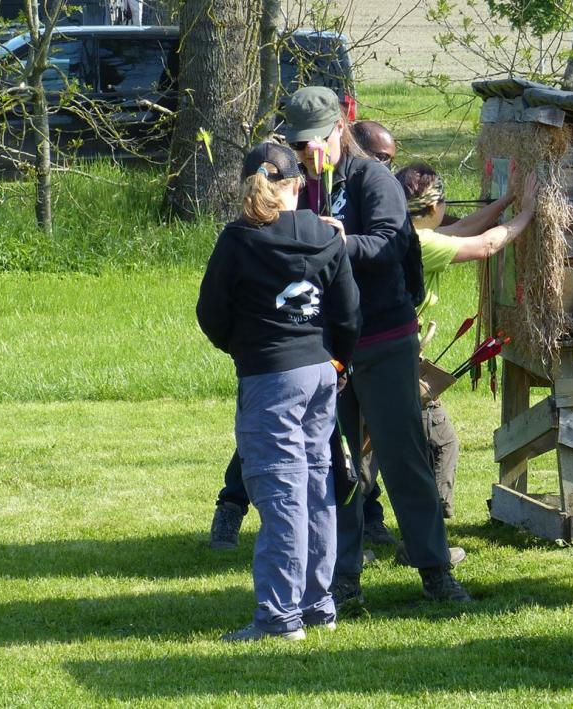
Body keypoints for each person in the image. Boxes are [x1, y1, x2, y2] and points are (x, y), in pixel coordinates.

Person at [289, 86, 470, 604]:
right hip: (327, 346)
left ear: (338, 130)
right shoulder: (300, 187)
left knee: (402, 455)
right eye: (298, 145)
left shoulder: (372, 179)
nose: (307, 153)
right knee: (337, 464)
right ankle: (343, 577)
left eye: (313, 142)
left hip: (385, 336)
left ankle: (435, 570)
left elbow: (390, 243)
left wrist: (337, 241)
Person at [196, 142, 359, 641]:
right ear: (299, 186)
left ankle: (279, 616)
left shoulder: (239, 239)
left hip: (270, 374)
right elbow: (348, 312)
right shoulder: (326, 234)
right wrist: (337, 360)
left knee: (281, 490)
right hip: (320, 371)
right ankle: (317, 604)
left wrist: (246, 348)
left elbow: (211, 313)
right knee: (315, 484)